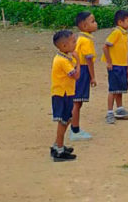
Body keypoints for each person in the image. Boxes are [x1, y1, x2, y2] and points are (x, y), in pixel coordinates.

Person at [49, 29, 80, 161]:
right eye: (73, 42)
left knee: (67, 118)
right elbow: (76, 76)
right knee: (63, 121)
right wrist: (78, 62)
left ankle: (58, 144)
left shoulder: (65, 57)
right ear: (64, 46)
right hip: (62, 94)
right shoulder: (62, 61)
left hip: (66, 92)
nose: (75, 44)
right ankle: (59, 150)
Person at [68, 11, 99, 141]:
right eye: (92, 21)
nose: (96, 23)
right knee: (77, 101)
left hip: (79, 68)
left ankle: (75, 128)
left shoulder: (83, 39)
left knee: (77, 101)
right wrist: (93, 77)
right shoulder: (86, 41)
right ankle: (74, 130)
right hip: (83, 70)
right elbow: (89, 60)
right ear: (84, 26)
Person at [104, 9, 128, 124]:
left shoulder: (124, 34)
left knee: (120, 88)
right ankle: (109, 112)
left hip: (122, 65)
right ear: (120, 22)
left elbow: (125, 52)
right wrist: (109, 62)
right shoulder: (116, 32)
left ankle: (120, 108)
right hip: (115, 65)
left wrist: (127, 68)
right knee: (113, 89)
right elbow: (105, 47)